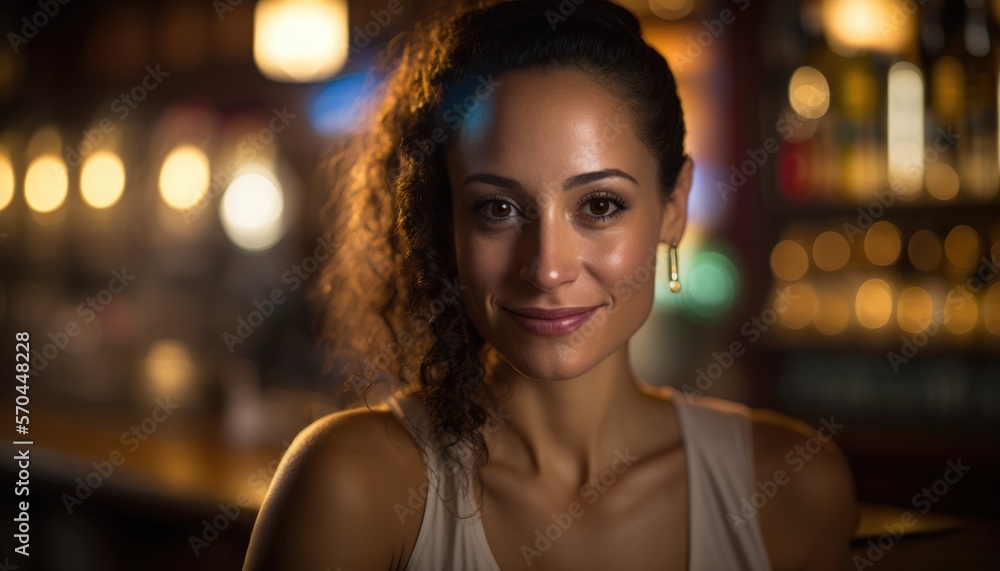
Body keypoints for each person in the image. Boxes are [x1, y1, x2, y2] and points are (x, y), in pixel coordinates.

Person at [243, 1, 858, 569]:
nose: (547, 268)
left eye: (598, 204)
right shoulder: (349, 484)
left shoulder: (792, 488)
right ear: (446, 223)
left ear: (675, 206)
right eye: (498, 209)